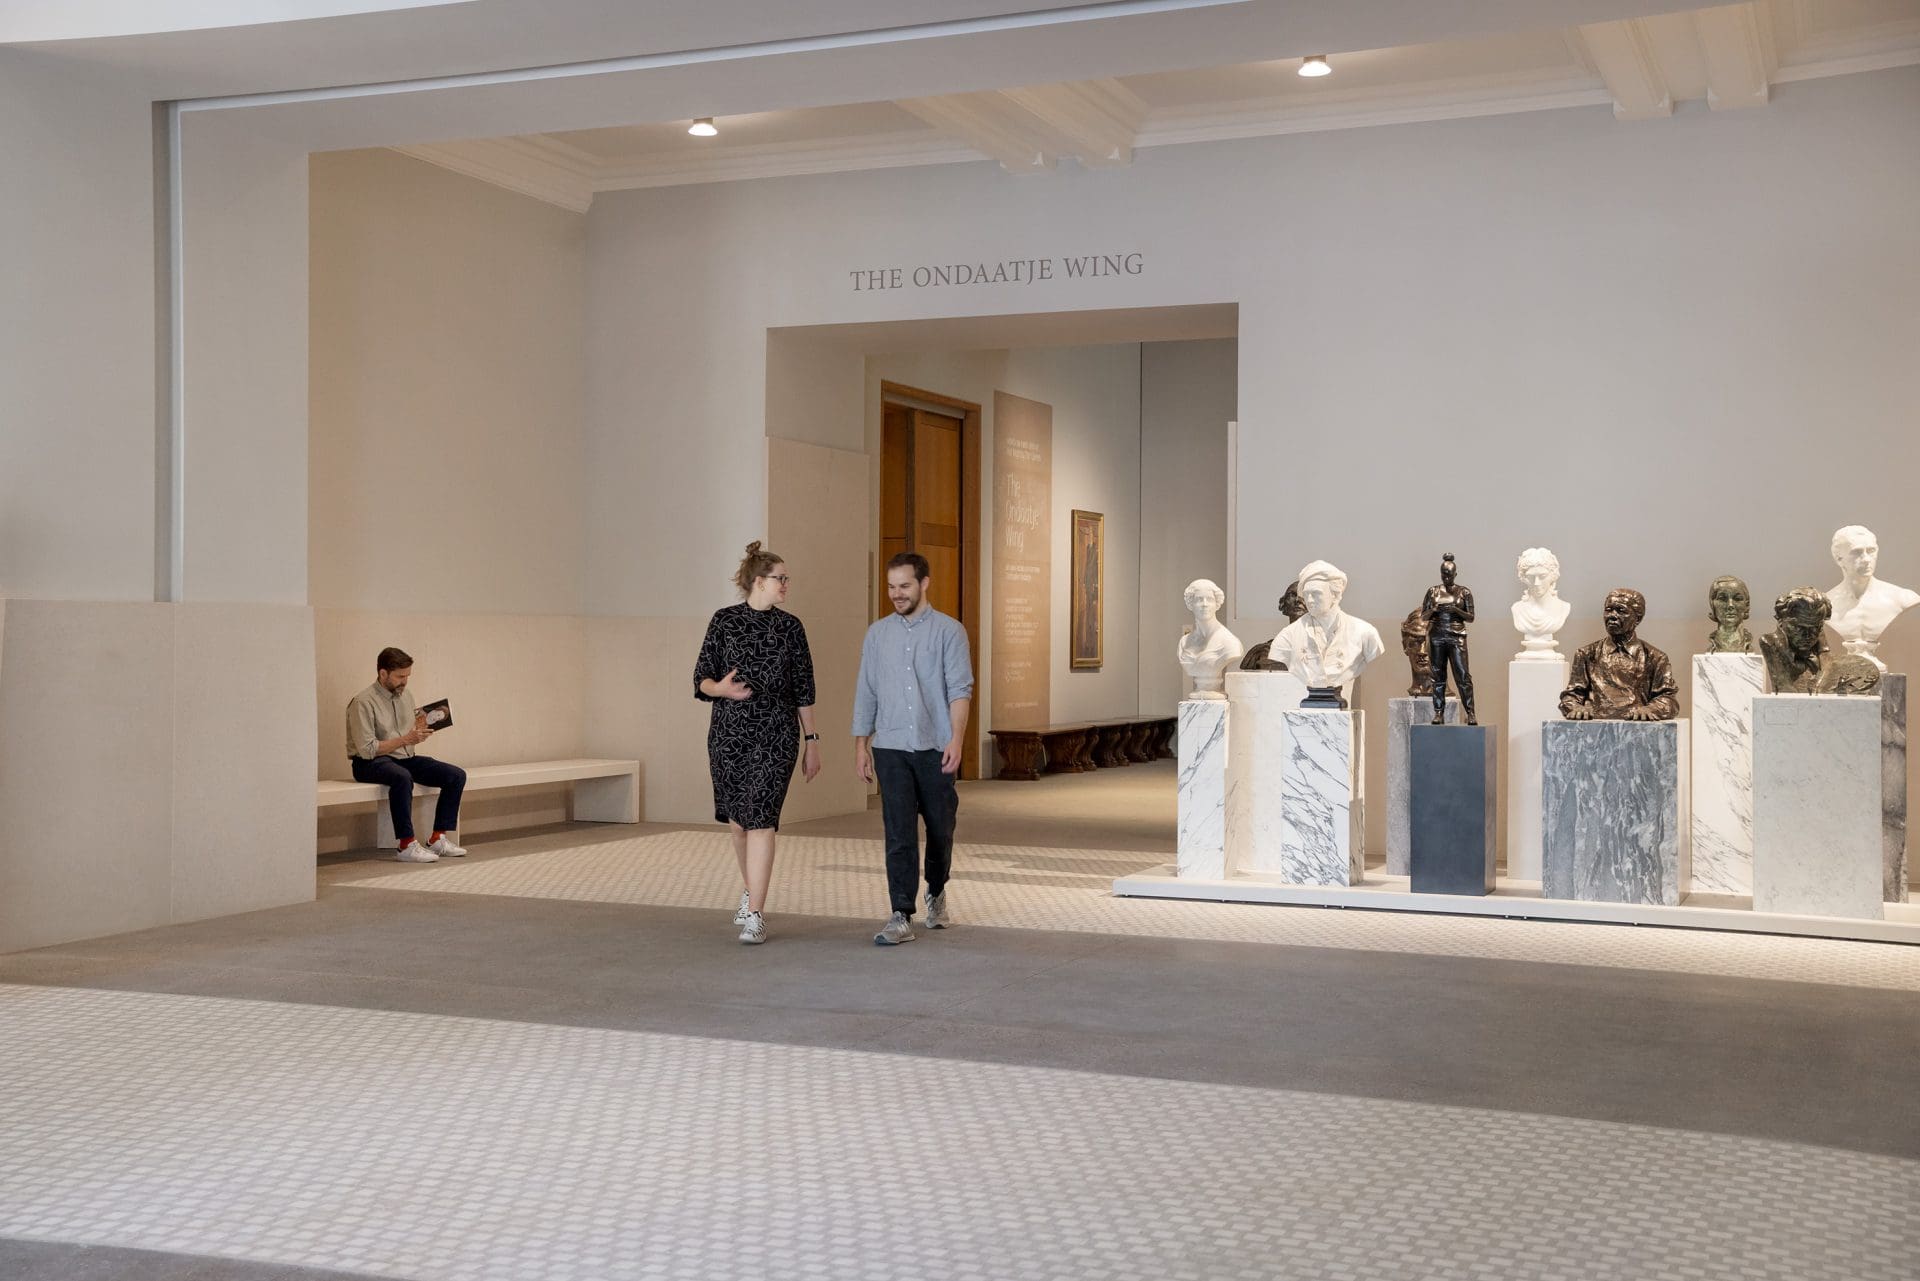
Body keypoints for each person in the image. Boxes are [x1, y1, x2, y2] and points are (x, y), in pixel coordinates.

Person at [693, 541, 821, 945]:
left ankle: (756, 915)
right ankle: (751, 891)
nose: (786, 584)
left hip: (776, 734)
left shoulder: (791, 628)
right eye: (780, 578)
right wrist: (722, 690)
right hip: (729, 735)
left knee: (762, 819)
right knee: (738, 824)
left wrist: (812, 740)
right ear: (759, 581)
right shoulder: (724, 621)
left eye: (787, 578)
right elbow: (701, 679)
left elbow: (804, 689)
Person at [853, 552, 975, 946]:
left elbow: (960, 690)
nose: (896, 594)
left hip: (935, 746)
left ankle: (936, 890)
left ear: (924, 583)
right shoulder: (877, 635)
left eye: (904, 585)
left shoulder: (949, 631)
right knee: (899, 832)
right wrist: (861, 744)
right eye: (891, 587)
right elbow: (866, 690)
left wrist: (956, 739)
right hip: (890, 746)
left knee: (941, 828)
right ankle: (900, 913)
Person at [347, 647, 467, 862]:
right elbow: (367, 749)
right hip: (369, 763)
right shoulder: (362, 702)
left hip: (403, 757)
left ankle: (438, 838)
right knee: (402, 777)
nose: (405, 681)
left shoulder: (406, 696)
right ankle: (406, 845)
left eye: (407, 676)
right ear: (383, 673)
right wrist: (405, 739)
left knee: (455, 775)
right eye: (400, 676)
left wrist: (417, 736)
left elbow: (407, 734)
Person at [1558, 589, 1678, 721]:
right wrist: (1575, 707)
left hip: (1635, 726)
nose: (1612, 616)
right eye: (1608, 610)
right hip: (1596, 727)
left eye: (1621, 611)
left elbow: (1669, 700)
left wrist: (1650, 709)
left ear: (1637, 618)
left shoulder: (1655, 657)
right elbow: (1571, 696)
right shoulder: (1586, 654)